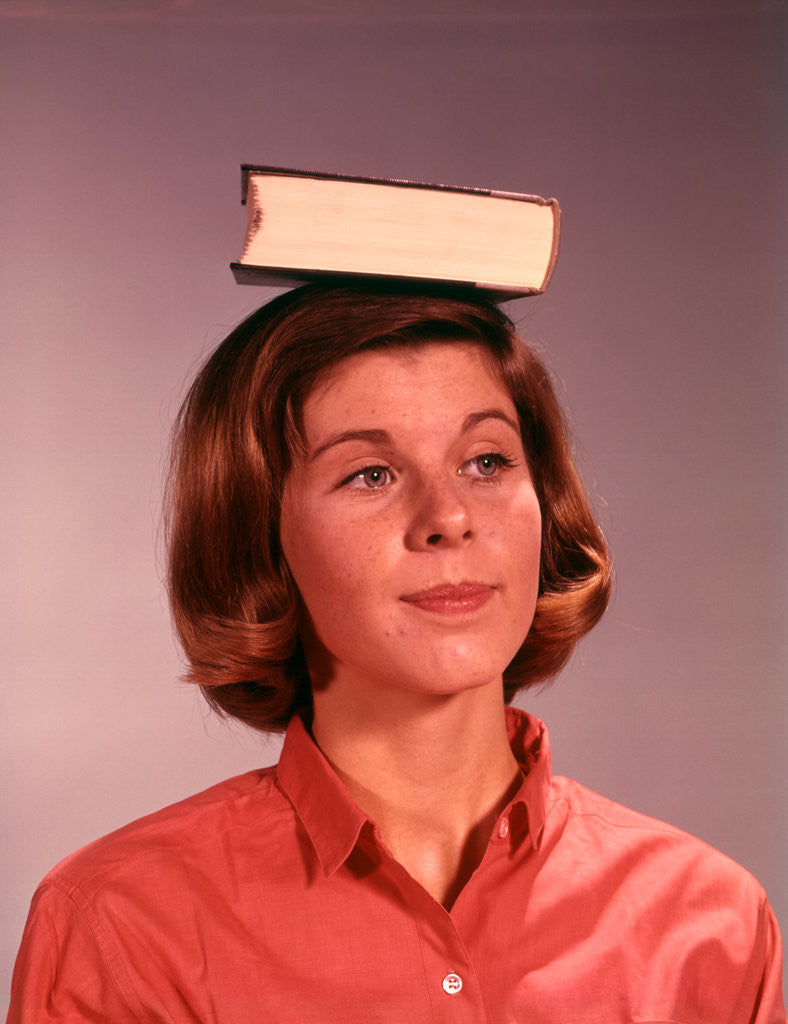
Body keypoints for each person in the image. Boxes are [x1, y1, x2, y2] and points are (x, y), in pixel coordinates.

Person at [8, 284, 785, 1022]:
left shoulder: (711, 921)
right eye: (369, 474)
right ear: (260, 538)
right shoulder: (123, 924)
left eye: (486, 461)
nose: (448, 516)